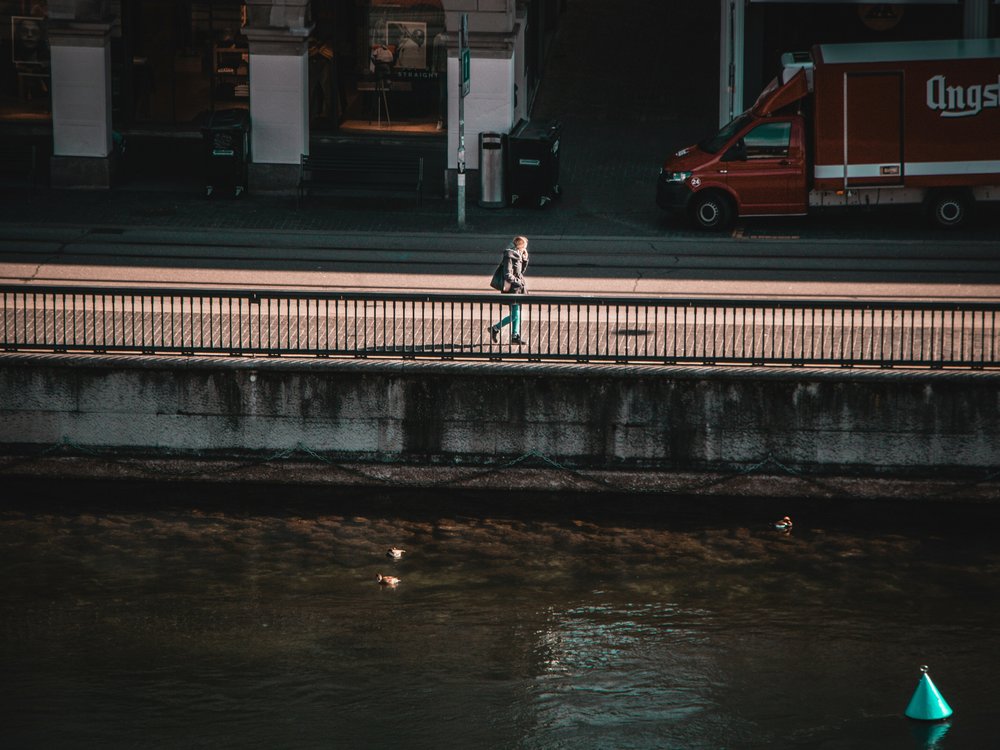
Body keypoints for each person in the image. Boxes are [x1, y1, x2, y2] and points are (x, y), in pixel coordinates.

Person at [488, 235, 529, 345]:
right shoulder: (509, 256)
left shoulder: (518, 254)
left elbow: (521, 272)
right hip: (513, 289)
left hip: (517, 288)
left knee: (517, 312)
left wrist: (525, 259)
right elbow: (507, 274)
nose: (525, 248)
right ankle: (495, 328)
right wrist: (518, 282)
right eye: (524, 246)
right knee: (515, 314)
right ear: (519, 245)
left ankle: (515, 335)